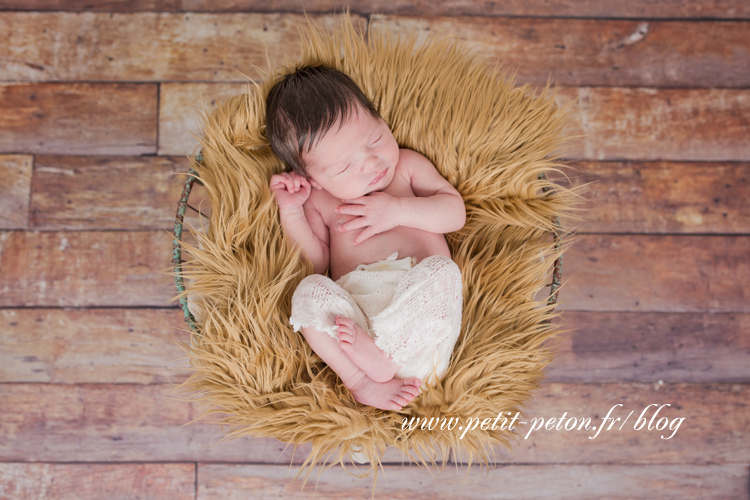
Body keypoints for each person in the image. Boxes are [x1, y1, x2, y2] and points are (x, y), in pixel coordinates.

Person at [266, 65, 465, 411]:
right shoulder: (321, 201)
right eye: (344, 167)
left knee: (442, 272)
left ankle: (385, 358)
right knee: (308, 290)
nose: (372, 163)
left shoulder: (405, 167)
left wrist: (399, 210)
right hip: (355, 329)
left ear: (381, 119)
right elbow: (314, 262)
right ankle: (358, 382)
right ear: (311, 178)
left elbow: (454, 214)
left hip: (419, 336)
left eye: (374, 139)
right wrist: (292, 211)